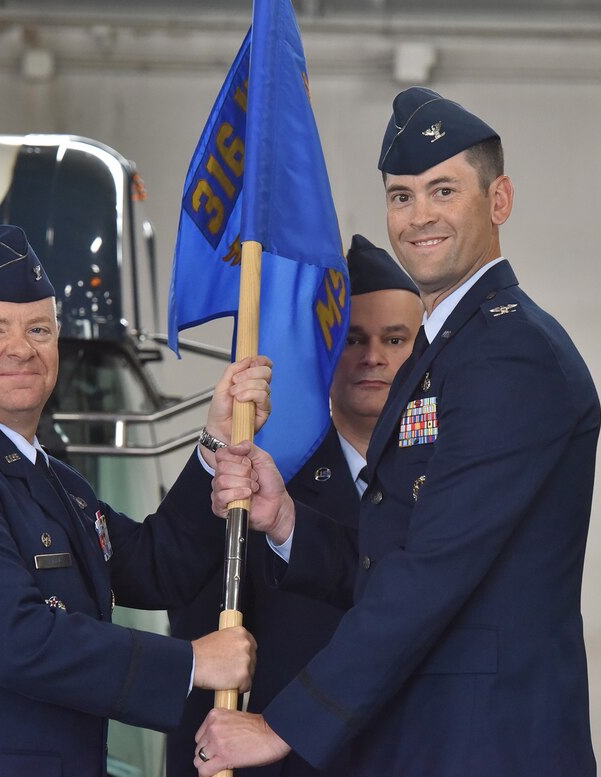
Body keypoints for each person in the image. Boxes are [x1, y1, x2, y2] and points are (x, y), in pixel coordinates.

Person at [196, 87, 601, 776]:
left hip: (487, 746)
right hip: (431, 741)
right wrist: (288, 518)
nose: (419, 217)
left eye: (443, 190)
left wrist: (280, 723)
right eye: (402, 195)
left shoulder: (512, 354)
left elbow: (433, 570)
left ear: (499, 201)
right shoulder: (446, 350)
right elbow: (395, 551)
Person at [0, 224, 270, 777]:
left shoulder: (54, 480)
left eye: (39, 328)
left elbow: (153, 567)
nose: (21, 348)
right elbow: (14, 639)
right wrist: (192, 662)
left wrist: (215, 442)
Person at [166, 234, 424, 777]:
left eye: (395, 339)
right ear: (324, 349)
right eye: (352, 339)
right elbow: (204, 637)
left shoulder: (449, 479)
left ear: (420, 352)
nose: (373, 357)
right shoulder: (261, 479)